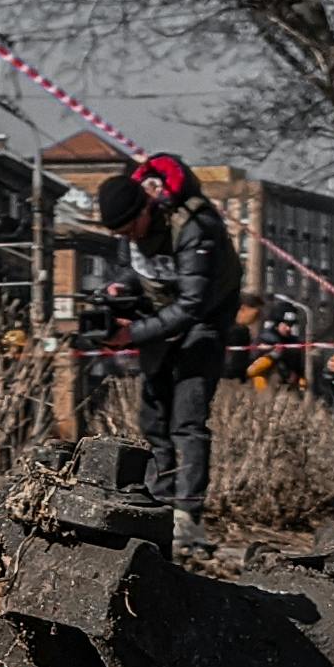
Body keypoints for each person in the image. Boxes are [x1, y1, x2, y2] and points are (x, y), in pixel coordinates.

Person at [93, 152, 239, 552]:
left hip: (204, 322)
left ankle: (187, 518)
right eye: (118, 234)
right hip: (161, 319)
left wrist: (133, 334)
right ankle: (159, 506)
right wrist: (118, 290)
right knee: (153, 420)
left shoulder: (194, 227)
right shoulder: (133, 232)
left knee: (187, 422)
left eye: (129, 229)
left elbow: (194, 303)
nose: (127, 239)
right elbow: (137, 270)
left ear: (146, 208)